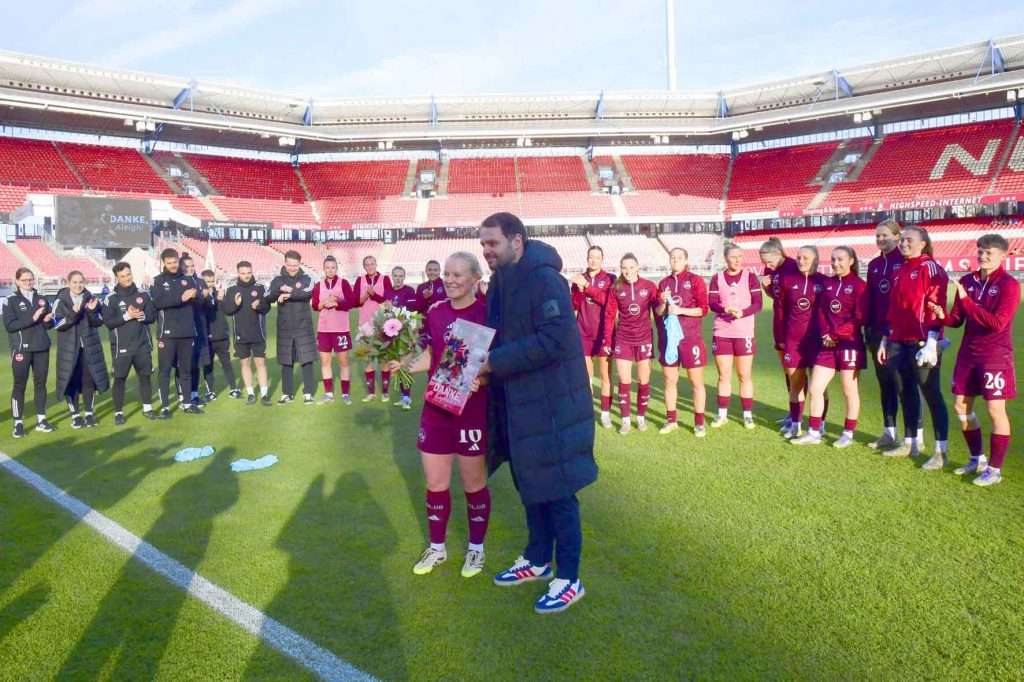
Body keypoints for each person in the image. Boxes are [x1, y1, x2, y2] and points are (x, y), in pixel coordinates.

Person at [479, 212, 597, 616]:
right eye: (483, 245)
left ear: (517, 240)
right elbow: (492, 333)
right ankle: (537, 558)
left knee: (559, 489)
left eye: (492, 243)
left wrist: (494, 362)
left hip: (554, 405)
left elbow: (555, 339)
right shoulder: (499, 281)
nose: (487, 251)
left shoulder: (546, 279)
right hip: (519, 402)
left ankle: (569, 577)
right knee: (530, 482)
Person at [387, 253, 493, 578]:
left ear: (475, 277)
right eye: (446, 274)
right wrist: (403, 365)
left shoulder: (487, 313)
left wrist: (483, 378)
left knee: (474, 484)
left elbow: (497, 363)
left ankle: (476, 549)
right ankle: (437, 548)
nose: (449, 279)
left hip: (471, 412)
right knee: (435, 482)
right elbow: (434, 357)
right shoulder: (436, 312)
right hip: (436, 410)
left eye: (457, 274)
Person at [930, 234, 1020, 486]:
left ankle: (994, 469)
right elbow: (957, 320)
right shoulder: (968, 281)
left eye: (989, 252)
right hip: (968, 354)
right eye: (980, 251)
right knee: (961, 406)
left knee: (995, 410)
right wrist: (942, 314)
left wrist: (966, 300)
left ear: (1003, 256)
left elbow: (997, 323)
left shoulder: (1009, 285)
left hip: (995, 356)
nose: (982, 256)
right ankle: (976, 458)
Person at [877, 225, 949, 467]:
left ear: (923, 244)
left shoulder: (931, 268)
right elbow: (893, 310)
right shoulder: (900, 269)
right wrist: (886, 340)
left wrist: (931, 341)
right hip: (898, 341)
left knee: (931, 394)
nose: (904, 244)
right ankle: (910, 444)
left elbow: (937, 307)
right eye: (903, 240)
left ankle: (940, 451)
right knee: (904, 392)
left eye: (909, 240)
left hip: (922, 343)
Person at [792, 246, 868, 448]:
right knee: (816, 389)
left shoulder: (859, 286)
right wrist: (826, 334)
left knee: (849, 390)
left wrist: (835, 334)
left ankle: (848, 434)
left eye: (840, 259)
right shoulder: (827, 283)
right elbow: (821, 313)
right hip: (827, 345)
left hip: (850, 345)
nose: (836, 263)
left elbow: (859, 318)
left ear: (851, 260)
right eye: (833, 260)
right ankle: (814, 432)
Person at [865, 218, 922, 452]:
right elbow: (870, 299)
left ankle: (915, 437)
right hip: (876, 333)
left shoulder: (905, 262)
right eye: (878, 235)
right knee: (885, 384)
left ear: (897, 237)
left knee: (904, 385)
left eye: (885, 235)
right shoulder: (874, 265)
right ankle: (889, 433)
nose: (880, 239)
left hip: (899, 334)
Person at [656, 248, 709, 437]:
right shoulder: (663, 283)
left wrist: (681, 311)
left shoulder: (695, 280)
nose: (675, 260)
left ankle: (699, 423)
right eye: (672, 257)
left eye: (679, 257)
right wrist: (662, 302)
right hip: (669, 340)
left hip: (690, 338)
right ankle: (671, 420)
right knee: (670, 380)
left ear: (686, 260)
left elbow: (703, 309)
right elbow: (658, 312)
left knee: (696, 381)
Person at [709, 243, 762, 428]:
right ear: (726, 258)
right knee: (723, 375)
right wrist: (725, 308)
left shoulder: (751, 277)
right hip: (722, 332)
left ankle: (747, 415)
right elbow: (712, 303)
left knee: (744, 374)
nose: (737, 260)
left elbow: (758, 303)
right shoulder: (717, 278)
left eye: (740, 256)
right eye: (733, 257)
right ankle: (722, 414)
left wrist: (742, 313)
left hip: (744, 332)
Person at [776, 246, 828, 439]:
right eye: (798, 257)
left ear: (815, 259)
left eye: (805, 257)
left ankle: (819, 424)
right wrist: (781, 338)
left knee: (819, 386)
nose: (801, 260)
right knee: (795, 384)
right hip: (793, 341)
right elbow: (781, 311)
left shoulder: (824, 281)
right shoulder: (788, 280)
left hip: (817, 342)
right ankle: (795, 425)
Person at [607, 253, 658, 435]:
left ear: (638, 267)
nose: (627, 271)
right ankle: (626, 420)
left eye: (631, 267)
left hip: (644, 339)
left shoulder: (649, 286)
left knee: (644, 381)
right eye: (624, 268)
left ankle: (641, 418)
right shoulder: (617, 287)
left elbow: (658, 310)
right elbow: (610, 315)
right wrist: (607, 339)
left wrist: (664, 302)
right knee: (625, 381)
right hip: (623, 339)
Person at [4, 267, 56, 437]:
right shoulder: (10, 300)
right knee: (20, 385)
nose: (28, 283)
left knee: (40, 384)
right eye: (25, 280)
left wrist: (48, 320)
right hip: (22, 349)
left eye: (30, 279)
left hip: (41, 347)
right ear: (17, 281)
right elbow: (10, 326)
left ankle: (41, 419)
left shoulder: (41, 299)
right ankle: (18, 423)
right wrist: (32, 318)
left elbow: (48, 325)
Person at [53, 271, 109, 428]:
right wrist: (73, 313)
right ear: (68, 283)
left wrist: (91, 311)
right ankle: (75, 415)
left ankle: (89, 413)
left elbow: (99, 322)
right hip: (69, 349)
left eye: (80, 282)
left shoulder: (91, 298)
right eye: (75, 282)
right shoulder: (60, 301)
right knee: (71, 381)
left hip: (89, 347)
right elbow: (57, 324)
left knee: (88, 380)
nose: (78, 285)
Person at [103, 262, 157, 424]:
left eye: (128, 274)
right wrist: (127, 316)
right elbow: (108, 322)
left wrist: (140, 315)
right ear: (117, 278)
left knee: (145, 376)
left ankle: (147, 408)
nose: (127, 278)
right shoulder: (111, 298)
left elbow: (152, 316)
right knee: (120, 379)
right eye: (122, 276)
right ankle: (118, 412)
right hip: (122, 347)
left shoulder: (144, 294)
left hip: (142, 344)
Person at [151, 248, 202, 418]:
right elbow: (158, 302)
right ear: (164, 263)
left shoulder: (188, 279)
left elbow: (199, 301)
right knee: (165, 371)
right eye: (169, 263)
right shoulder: (158, 281)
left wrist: (197, 295)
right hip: (167, 333)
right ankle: (165, 407)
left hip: (187, 332)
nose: (173, 266)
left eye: (175, 262)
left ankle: (187, 403)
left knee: (186, 370)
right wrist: (182, 298)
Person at [570, 245, 616, 429]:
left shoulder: (610, 279)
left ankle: (605, 413)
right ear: (587, 258)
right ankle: (588, 412)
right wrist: (580, 290)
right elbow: (574, 304)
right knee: (586, 377)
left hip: (604, 332)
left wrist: (587, 287)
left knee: (605, 375)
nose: (593, 260)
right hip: (583, 332)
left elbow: (607, 301)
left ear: (602, 259)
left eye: (597, 257)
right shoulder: (579, 279)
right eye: (591, 257)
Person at [760, 238, 802, 429]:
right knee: (787, 369)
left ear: (779, 254)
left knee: (796, 371)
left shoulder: (794, 266)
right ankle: (792, 412)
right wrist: (765, 286)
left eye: (770, 262)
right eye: (764, 263)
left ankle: (798, 416)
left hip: (794, 325)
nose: (767, 266)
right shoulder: (769, 270)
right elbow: (774, 294)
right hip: (778, 324)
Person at [269, 250, 317, 404]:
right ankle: (287, 393)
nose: (292, 268)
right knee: (286, 361)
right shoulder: (277, 280)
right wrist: (279, 293)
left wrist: (289, 293)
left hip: (303, 326)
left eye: (295, 265)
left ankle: (308, 392)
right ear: (285, 263)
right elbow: (269, 296)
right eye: (289, 265)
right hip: (285, 327)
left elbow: (308, 293)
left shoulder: (306, 278)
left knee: (307, 360)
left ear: (299, 264)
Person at [222, 261, 271, 405]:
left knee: (260, 363)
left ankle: (264, 394)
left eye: (249, 272)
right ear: (238, 273)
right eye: (243, 273)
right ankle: (250, 393)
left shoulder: (260, 288)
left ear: (252, 271)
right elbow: (226, 310)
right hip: (240, 334)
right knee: (245, 363)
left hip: (258, 332)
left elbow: (267, 308)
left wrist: (260, 305)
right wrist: (235, 304)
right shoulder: (232, 290)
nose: (246, 276)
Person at [312, 256, 356, 405]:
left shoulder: (343, 283)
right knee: (325, 362)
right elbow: (314, 306)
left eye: (333, 267)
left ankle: (345, 394)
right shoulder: (318, 285)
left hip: (340, 329)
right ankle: (328, 394)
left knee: (343, 362)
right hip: (324, 330)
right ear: (323, 269)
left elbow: (351, 303)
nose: (330, 270)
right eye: (327, 267)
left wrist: (337, 303)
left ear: (336, 268)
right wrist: (324, 303)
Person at [353, 255, 393, 402]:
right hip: (364, 324)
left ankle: (385, 392)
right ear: (364, 267)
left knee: (383, 360)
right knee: (368, 359)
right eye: (367, 264)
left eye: (372, 264)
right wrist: (365, 295)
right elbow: (356, 302)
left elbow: (388, 301)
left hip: (382, 324)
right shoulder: (360, 280)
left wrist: (374, 295)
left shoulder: (385, 279)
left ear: (376, 264)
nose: (370, 266)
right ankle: (371, 393)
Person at [201, 270, 240, 400]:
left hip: (222, 335)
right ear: (202, 282)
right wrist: (216, 300)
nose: (210, 284)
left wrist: (234, 303)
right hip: (207, 337)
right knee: (208, 365)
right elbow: (206, 311)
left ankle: (234, 388)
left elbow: (228, 311)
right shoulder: (200, 297)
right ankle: (210, 391)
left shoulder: (219, 293)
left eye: (212, 281)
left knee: (226, 363)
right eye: (207, 281)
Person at [178, 254, 211, 406]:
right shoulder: (177, 282)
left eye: (192, 266)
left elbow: (205, 300)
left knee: (196, 363)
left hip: (199, 326)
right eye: (186, 266)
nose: (190, 268)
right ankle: (182, 395)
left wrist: (201, 296)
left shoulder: (200, 281)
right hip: (182, 328)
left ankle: (194, 394)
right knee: (183, 364)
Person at [387, 265, 419, 410]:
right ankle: (403, 396)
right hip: (391, 334)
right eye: (396, 275)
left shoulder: (410, 291)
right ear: (392, 276)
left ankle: (407, 397)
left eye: (401, 276)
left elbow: (412, 315)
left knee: (404, 365)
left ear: (404, 277)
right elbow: (385, 313)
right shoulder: (387, 292)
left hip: (405, 334)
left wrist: (412, 334)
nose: (398, 278)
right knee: (396, 365)